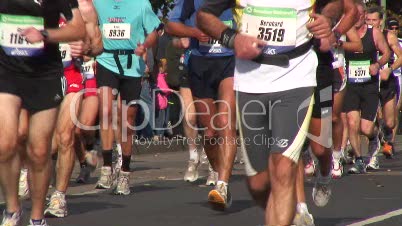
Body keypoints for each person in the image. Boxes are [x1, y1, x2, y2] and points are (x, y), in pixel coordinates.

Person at [197, 0, 333, 224]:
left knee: (284, 165)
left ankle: (312, 188)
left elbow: (336, 5)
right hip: (250, 82)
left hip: (297, 77)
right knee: (259, 184)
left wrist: (328, 18)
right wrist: (232, 38)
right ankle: (284, 208)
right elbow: (204, 15)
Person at [0, 0, 86, 225]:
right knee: (5, 143)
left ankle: (37, 218)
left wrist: (45, 35)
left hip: (44, 75)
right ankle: (12, 208)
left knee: (39, 151)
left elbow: (78, 28)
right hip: (7, 71)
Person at [167, 0, 237, 210]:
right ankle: (218, 174)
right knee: (209, 132)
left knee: (225, 122)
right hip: (200, 64)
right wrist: (195, 33)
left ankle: (223, 184)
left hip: (229, 62)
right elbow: (171, 25)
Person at [93, 0, 160, 195]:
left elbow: (154, 32)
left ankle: (125, 173)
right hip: (106, 60)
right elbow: (87, 21)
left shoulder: (141, 4)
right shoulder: (99, 2)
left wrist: (145, 45)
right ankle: (106, 167)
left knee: (126, 121)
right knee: (105, 110)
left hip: (132, 63)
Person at [44, 0, 103, 218]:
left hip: (71, 76)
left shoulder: (83, 7)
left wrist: (87, 48)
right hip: (39, 77)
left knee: (66, 137)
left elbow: (98, 44)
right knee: (45, 146)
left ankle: (59, 197)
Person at [344, 2, 390, 174]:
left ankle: (375, 138)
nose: (357, 18)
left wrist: (378, 64)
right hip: (350, 85)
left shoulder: (374, 32)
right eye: (353, 15)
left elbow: (386, 53)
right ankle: (359, 159)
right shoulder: (344, 33)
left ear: (364, 16)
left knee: (366, 128)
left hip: (370, 85)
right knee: (351, 122)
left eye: (360, 15)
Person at [365, 8, 402, 163]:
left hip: (387, 81)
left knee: (390, 122)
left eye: (374, 20)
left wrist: (390, 69)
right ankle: (374, 146)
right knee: (371, 120)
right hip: (370, 82)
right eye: (368, 20)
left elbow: (400, 57)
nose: (371, 23)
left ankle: (387, 136)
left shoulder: (390, 36)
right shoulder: (362, 35)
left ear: (380, 21)